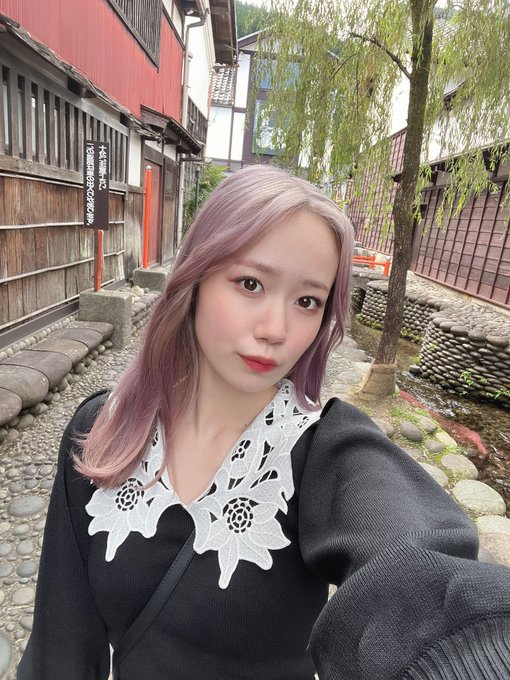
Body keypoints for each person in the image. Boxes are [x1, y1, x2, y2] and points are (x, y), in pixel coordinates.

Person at [18, 165, 510, 680]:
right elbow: (60, 646)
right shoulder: (102, 429)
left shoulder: (326, 452)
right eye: (250, 283)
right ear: (196, 278)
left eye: (307, 301)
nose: (276, 329)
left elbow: (424, 580)